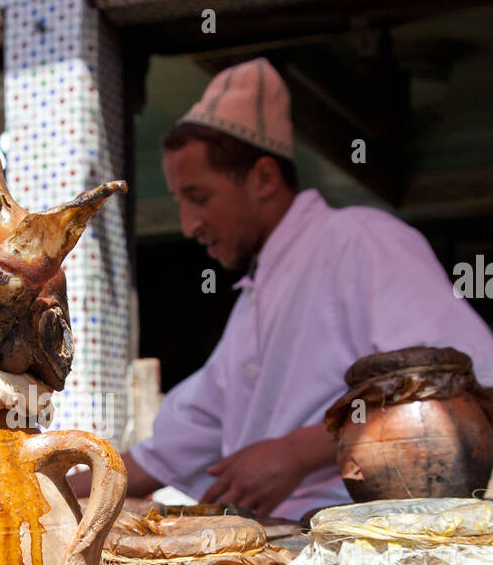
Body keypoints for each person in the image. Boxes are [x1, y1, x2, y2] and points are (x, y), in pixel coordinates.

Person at [73, 58, 493, 520]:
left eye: (199, 197)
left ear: (264, 179)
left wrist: (294, 453)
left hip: (362, 544)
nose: (189, 226)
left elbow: (457, 387)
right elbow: (185, 438)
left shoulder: (361, 239)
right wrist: (61, 489)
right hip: (276, 540)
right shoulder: (257, 294)